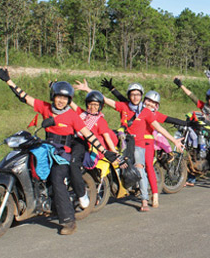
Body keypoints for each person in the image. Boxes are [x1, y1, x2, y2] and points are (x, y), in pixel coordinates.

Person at [0, 68, 118, 235]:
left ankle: (69, 221)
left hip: (63, 155)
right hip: (46, 149)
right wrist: (8, 81)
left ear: (69, 100)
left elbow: (89, 135)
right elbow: (24, 97)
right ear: (53, 97)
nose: (61, 101)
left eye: (65, 98)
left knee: (57, 178)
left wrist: (104, 151)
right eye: (59, 97)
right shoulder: (45, 108)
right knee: (29, 168)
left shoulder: (72, 116)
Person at [74, 80, 183, 211]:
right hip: (124, 142)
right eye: (133, 94)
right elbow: (104, 100)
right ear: (129, 95)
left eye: (138, 94)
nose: (135, 97)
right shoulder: (123, 106)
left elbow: (158, 128)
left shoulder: (146, 111)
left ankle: (144, 200)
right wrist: (88, 90)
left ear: (141, 95)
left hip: (138, 144)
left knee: (139, 168)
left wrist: (174, 140)